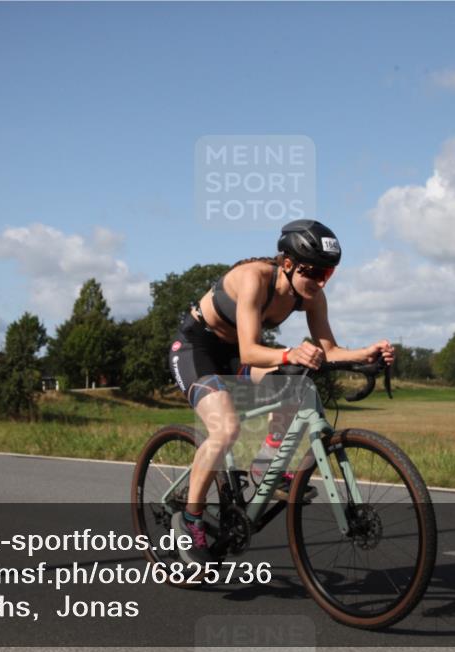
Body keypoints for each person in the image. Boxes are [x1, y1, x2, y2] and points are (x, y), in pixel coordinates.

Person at [167, 219, 395, 565]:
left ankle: (264, 462)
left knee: (295, 380)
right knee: (226, 428)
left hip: (234, 353)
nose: (319, 282)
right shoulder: (253, 278)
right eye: (313, 272)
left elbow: (329, 348)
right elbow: (250, 351)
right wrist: (290, 353)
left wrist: (366, 353)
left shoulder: (311, 295)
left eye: (327, 275)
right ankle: (190, 519)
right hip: (196, 349)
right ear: (287, 264)